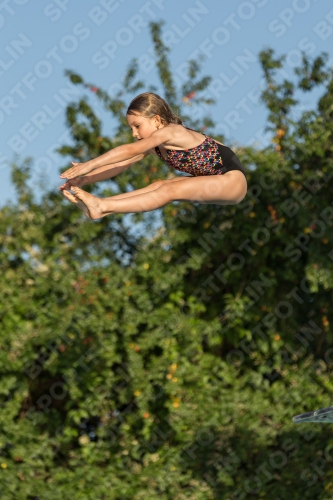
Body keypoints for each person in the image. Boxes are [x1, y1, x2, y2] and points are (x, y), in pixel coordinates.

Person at [59, 92, 247, 219]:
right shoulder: (156, 146)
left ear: (156, 120)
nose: (134, 133)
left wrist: (90, 163)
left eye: (137, 126)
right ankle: (100, 207)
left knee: (168, 191)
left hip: (232, 179)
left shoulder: (171, 132)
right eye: (131, 128)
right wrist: (85, 179)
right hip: (216, 179)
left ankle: (101, 206)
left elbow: (129, 150)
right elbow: (120, 164)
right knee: (161, 185)